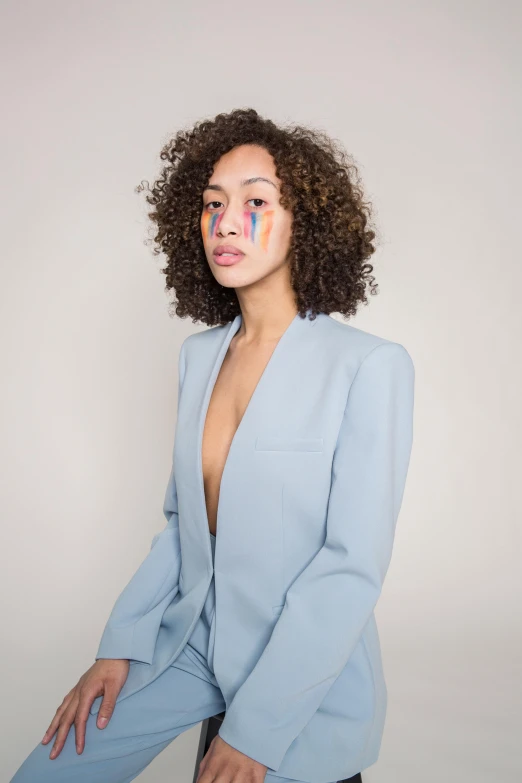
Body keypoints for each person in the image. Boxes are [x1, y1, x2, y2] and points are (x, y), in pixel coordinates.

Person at [10, 108, 415, 783]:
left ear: (303, 222)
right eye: (212, 203)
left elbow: (350, 566)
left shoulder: (368, 366)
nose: (226, 222)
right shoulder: (199, 357)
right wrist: (120, 645)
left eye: (256, 201)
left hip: (298, 674)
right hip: (191, 643)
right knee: (47, 770)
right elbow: (183, 523)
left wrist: (253, 733)